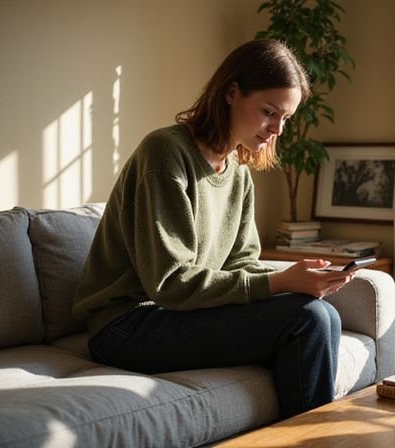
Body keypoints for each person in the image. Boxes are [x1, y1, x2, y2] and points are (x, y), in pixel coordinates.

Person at [72, 39, 355, 418]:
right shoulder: (165, 153)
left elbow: (242, 262)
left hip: (176, 315)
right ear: (231, 93)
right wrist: (281, 284)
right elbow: (169, 283)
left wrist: (298, 277)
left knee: (322, 314)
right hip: (127, 326)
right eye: (269, 112)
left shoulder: (238, 171)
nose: (277, 130)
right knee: (308, 319)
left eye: (285, 118)